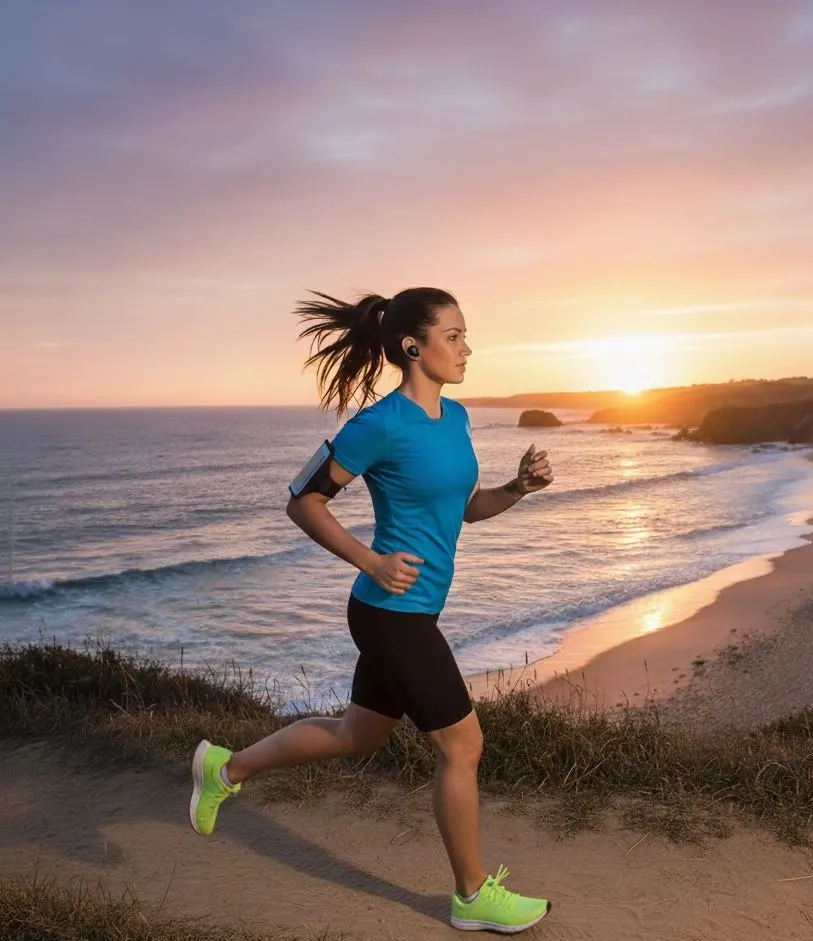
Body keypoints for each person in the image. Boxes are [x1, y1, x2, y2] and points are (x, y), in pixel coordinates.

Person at [188, 287, 554, 933]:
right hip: (391, 610)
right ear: (415, 346)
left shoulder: (458, 416)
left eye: (467, 335)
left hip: (417, 609)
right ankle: (471, 895)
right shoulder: (377, 424)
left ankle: (226, 765)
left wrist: (517, 488)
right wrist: (370, 560)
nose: (468, 347)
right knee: (463, 744)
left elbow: (461, 508)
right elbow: (303, 500)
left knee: (356, 733)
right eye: (456, 335)